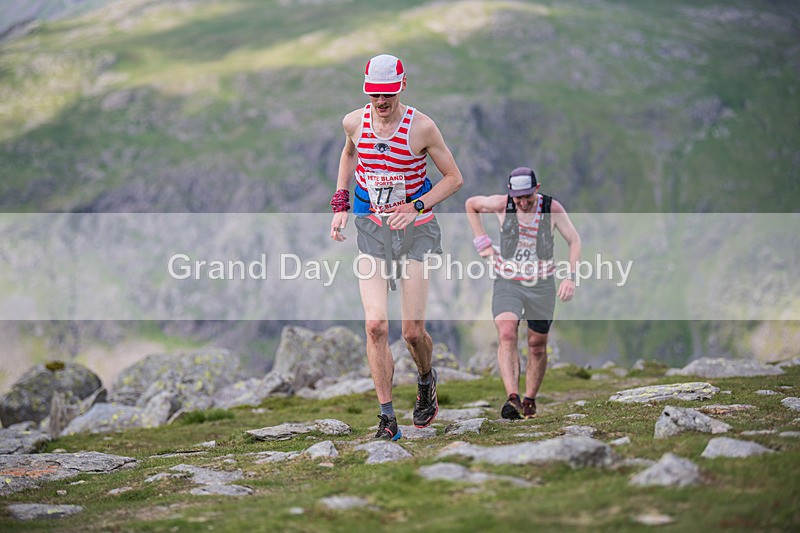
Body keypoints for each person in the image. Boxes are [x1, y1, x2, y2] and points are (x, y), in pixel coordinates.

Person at [329, 54, 463, 440]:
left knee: (411, 332)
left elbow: (454, 178)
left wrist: (417, 205)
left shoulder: (422, 128)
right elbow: (350, 153)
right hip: (372, 227)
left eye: (388, 93)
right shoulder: (354, 122)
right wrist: (340, 204)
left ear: (402, 87)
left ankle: (425, 379)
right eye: (374, 94)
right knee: (375, 326)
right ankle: (387, 417)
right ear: (366, 90)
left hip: (417, 229)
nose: (381, 101)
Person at [465, 166, 580, 419]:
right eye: (519, 198)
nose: (524, 202)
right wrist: (482, 242)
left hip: (542, 284)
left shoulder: (551, 208)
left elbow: (574, 240)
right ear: (511, 194)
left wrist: (569, 277)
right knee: (506, 333)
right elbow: (471, 204)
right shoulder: (500, 204)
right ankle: (512, 398)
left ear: (536, 190)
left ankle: (529, 399)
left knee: (537, 345)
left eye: (528, 196)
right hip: (508, 281)